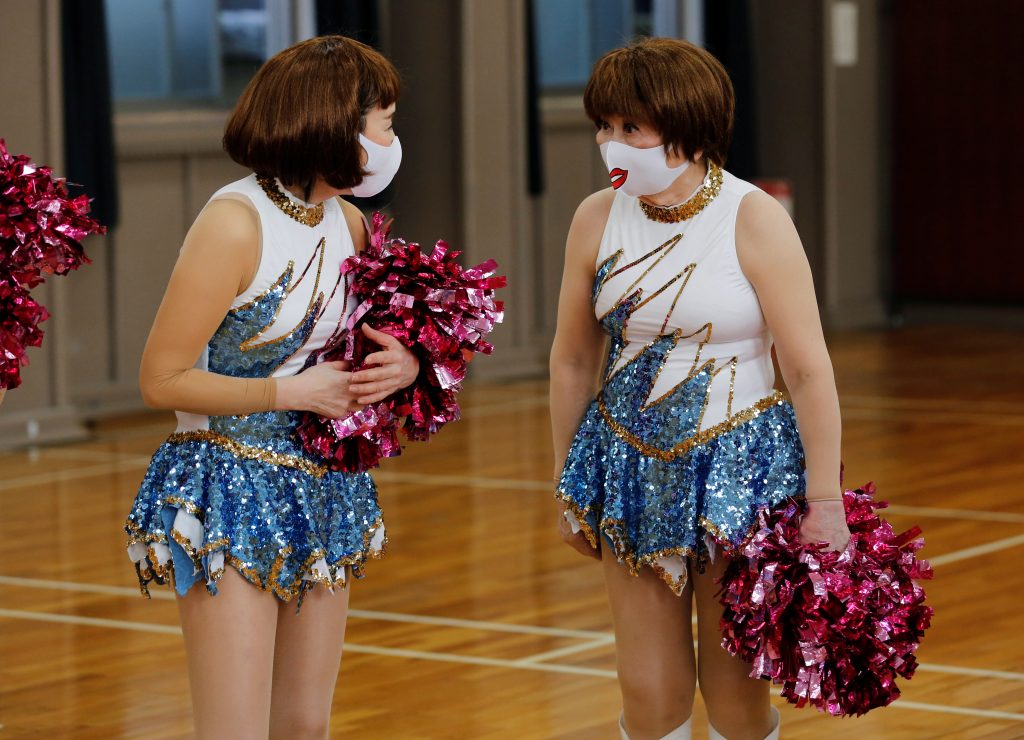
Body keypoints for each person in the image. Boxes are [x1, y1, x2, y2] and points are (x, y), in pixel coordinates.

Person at [549, 38, 851, 740]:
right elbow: (570, 361)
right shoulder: (594, 217)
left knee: (736, 697)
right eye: (604, 126)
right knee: (651, 694)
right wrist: (569, 485)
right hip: (628, 470)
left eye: (631, 128)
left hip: (743, 475)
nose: (611, 143)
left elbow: (808, 370)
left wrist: (824, 502)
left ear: (686, 127)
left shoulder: (754, 217)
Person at [123, 36, 417, 739]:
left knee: (304, 725)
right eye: (386, 124)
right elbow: (160, 379)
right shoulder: (233, 223)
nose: (392, 140)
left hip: (324, 485)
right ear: (334, 125)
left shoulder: (348, 221)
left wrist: (403, 368)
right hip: (228, 486)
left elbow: (356, 352)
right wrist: (291, 396)